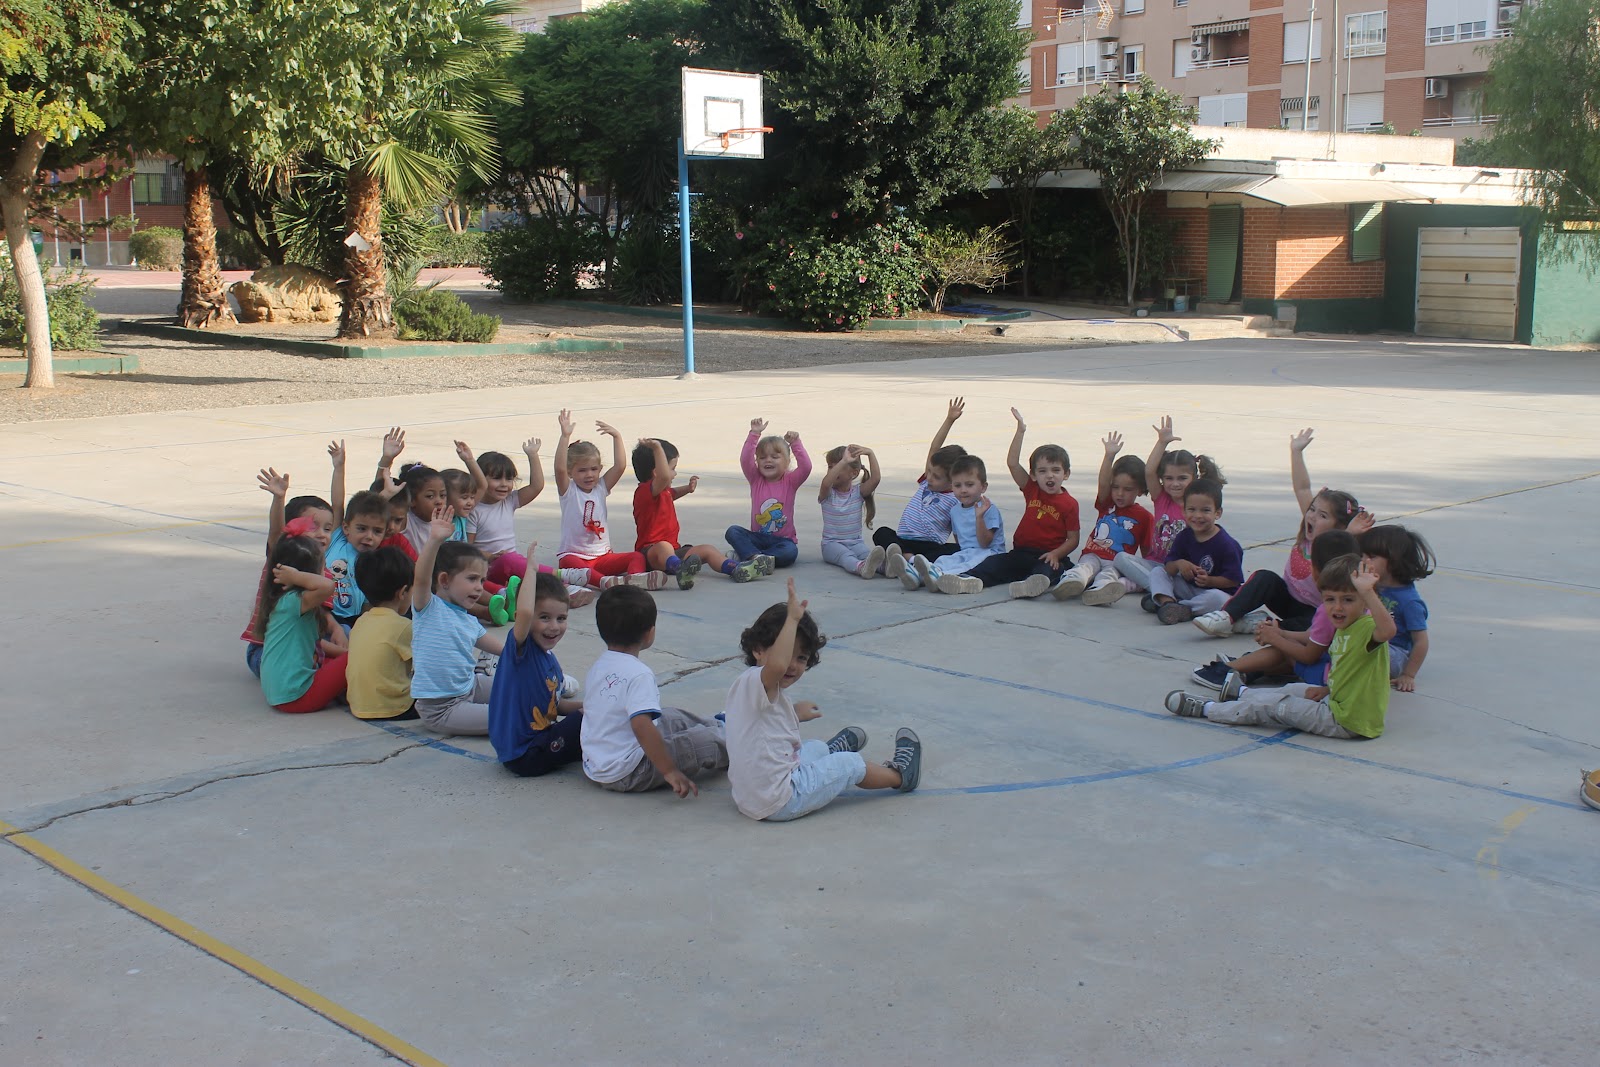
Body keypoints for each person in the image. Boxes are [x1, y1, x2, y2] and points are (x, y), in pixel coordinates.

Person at [725, 579, 922, 822]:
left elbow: (760, 726)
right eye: (786, 653)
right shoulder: (759, 680)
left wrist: (794, 713)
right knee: (850, 764)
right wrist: (792, 620)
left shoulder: (752, 688)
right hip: (781, 798)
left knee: (815, 747)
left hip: (753, 794)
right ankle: (901, 776)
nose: (792, 665)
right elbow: (776, 665)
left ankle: (825, 756)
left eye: (801, 657)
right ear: (758, 649)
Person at [1165, 554, 1395, 739]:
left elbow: (1387, 631)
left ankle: (1208, 709)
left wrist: (1367, 591)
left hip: (1346, 721)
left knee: (1275, 707)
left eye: (1348, 599)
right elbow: (1350, 674)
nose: (1337, 607)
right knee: (1293, 690)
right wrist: (1328, 691)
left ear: (1364, 601)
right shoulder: (1344, 627)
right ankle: (1243, 693)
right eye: (1329, 599)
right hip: (1336, 702)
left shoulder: (1366, 627)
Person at [1193, 428, 1369, 637]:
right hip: (1286, 598)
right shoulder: (1310, 525)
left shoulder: (1335, 550)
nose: (1311, 516)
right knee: (1264, 578)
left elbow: (1343, 547)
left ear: (1339, 528)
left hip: (1314, 612)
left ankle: (1262, 625)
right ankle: (1226, 617)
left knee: (1313, 628)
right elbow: (1303, 489)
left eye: (1322, 516)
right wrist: (1296, 453)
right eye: (1312, 510)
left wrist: (1349, 534)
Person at [580, 586, 728, 795]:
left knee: (669, 716)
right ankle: (737, 742)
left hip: (598, 763)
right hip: (631, 771)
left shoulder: (599, 665)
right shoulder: (639, 674)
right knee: (701, 743)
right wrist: (669, 770)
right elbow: (640, 725)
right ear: (650, 633)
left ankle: (719, 724)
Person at [1189, 529, 1359, 691]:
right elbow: (1314, 637)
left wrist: (1276, 639)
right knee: (1289, 644)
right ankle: (1249, 668)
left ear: (1314, 571)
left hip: (1329, 677)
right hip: (1340, 671)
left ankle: (1228, 670)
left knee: (1285, 650)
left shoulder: (1328, 610)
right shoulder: (1361, 603)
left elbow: (1308, 656)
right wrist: (1283, 634)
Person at [242, 448, 342, 677]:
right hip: (266, 652)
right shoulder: (283, 560)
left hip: (303, 641)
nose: (322, 534)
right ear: (292, 529)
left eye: (327, 528)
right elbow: (277, 532)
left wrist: (336, 629)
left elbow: (320, 615)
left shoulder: (322, 571)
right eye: (312, 526)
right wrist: (279, 498)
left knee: (346, 630)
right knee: (333, 664)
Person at [487, 548, 585, 777]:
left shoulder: (550, 662)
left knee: (595, 716)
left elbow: (556, 706)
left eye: (561, 618)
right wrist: (530, 571)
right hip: (525, 754)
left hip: (542, 741)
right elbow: (523, 613)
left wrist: (588, 707)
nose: (554, 626)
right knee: (588, 725)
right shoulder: (522, 650)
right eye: (544, 618)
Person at [966, 406, 1079, 599]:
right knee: (994, 564)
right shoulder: (1032, 489)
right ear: (1034, 475)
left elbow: (1073, 539)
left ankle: (1031, 586)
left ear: (1066, 474)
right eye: (1042, 471)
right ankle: (968, 580)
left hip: (1048, 554)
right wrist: (1020, 431)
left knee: (1049, 569)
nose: (1049, 475)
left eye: (1056, 470)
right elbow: (1012, 463)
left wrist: (1056, 554)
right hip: (1021, 553)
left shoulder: (1069, 503)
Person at [410, 506, 504, 736]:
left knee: (523, 691)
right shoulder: (428, 608)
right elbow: (421, 577)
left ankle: (555, 693)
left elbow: (507, 650)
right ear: (444, 580)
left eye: (482, 580)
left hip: (470, 686)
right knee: (511, 716)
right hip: (442, 709)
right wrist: (434, 539)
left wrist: (536, 658)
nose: (479, 587)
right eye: (472, 579)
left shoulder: (468, 621)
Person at [631, 437, 765, 586]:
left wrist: (687, 489)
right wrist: (657, 449)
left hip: (673, 553)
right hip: (650, 553)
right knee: (664, 546)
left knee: (707, 550)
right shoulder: (644, 492)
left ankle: (735, 569)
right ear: (657, 473)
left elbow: (672, 493)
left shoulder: (663, 492)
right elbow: (665, 477)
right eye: (673, 468)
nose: (674, 474)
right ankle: (681, 569)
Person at [555, 409, 664, 590]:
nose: (589, 475)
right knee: (567, 561)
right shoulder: (569, 491)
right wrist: (565, 436)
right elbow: (558, 469)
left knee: (637, 557)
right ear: (570, 472)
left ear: (600, 469)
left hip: (603, 557)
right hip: (576, 556)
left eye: (593, 469)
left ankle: (635, 579)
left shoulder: (601, 488)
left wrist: (617, 437)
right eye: (582, 470)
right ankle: (605, 583)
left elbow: (620, 466)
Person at [1122, 416, 1226, 593]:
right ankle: (1155, 587)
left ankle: (1149, 587)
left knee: (1134, 577)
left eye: (1182, 478)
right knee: (1121, 559)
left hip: (1180, 569)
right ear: (1162, 479)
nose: (1175, 484)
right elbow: (1149, 470)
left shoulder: (1196, 507)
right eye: (1169, 478)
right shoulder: (1162, 498)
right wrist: (1161, 442)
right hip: (1155, 562)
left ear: (1194, 478)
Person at [1051, 432, 1152, 607]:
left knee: (1109, 575)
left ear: (1141, 490)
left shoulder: (1145, 517)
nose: (1120, 493)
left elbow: (1146, 550)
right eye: (1116, 487)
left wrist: (1145, 572)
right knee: (1084, 568)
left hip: (1116, 562)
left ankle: (1100, 591)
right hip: (1093, 554)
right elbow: (1103, 483)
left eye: (1127, 489)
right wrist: (1109, 456)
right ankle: (1071, 582)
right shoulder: (1107, 503)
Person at [877, 397, 967, 577]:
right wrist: (949, 420)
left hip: (929, 545)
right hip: (903, 539)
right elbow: (934, 448)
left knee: (956, 550)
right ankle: (909, 561)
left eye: (937, 476)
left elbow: (959, 529)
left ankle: (899, 562)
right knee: (882, 533)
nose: (930, 477)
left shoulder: (955, 499)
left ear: (952, 481)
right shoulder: (926, 481)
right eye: (930, 472)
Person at [257, 535, 346, 713]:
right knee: (359, 658)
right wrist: (296, 577)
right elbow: (328, 586)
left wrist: (343, 653)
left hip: (281, 693)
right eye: (323, 568)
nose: (326, 572)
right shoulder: (294, 601)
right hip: (297, 696)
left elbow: (313, 643)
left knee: (341, 658)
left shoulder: (283, 601)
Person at [898, 455, 1005, 594]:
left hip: (989, 553)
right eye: (958, 485)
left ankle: (940, 578)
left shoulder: (988, 508)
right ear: (951, 486)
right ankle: (920, 575)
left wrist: (979, 517)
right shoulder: (955, 510)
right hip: (967, 551)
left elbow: (985, 543)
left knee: (967, 564)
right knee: (945, 560)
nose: (963, 490)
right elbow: (958, 538)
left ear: (983, 487)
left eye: (969, 484)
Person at [1145, 479, 1243, 625]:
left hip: (1214, 592)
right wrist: (1179, 564)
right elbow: (1169, 568)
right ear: (1184, 510)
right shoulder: (1184, 536)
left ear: (1218, 513)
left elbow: (1233, 580)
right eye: (1192, 509)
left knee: (1218, 599)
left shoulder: (1227, 544)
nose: (1197, 516)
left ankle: (1180, 607)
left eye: (1205, 510)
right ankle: (1167, 603)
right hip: (1190, 588)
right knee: (1157, 572)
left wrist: (1210, 581)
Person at [726, 416, 811, 570]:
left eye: (775, 457)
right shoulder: (756, 479)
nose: (768, 460)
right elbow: (745, 460)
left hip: (783, 540)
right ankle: (757, 557)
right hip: (757, 537)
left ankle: (750, 556)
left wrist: (796, 444)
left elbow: (806, 467)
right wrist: (754, 434)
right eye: (762, 457)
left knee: (790, 552)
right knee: (733, 531)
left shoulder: (790, 481)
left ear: (786, 462)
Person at [345, 546, 419, 722]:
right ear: (402, 592)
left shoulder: (361, 621)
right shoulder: (403, 626)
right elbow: (430, 666)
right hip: (395, 708)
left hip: (358, 705)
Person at [1358, 525, 1435, 691]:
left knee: (1369, 650)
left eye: (1371, 556)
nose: (1363, 560)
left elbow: (1421, 641)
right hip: (1371, 643)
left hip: (1394, 653)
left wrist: (1408, 674)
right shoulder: (1370, 583)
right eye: (1361, 555)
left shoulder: (1409, 601)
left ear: (1393, 561)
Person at [817, 443, 886, 579]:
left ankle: (886, 568)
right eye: (831, 466)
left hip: (856, 542)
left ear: (853, 473)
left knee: (868, 555)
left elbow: (876, 479)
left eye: (838, 467)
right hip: (831, 545)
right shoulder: (827, 493)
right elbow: (826, 483)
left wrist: (870, 453)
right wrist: (843, 462)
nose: (833, 470)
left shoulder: (858, 492)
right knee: (845, 556)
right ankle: (861, 568)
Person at [325, 490, 389, 629]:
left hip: (353, 620)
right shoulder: (337, 540)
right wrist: (339, 468)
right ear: (346, 528)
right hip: (324, 613)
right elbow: (337, 505)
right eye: (362, 529)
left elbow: (368, 604)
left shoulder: (375, 564)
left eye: (377, 531)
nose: (369, 536)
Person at [397, 461, 451, 554]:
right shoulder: (406, 520)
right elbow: (380, 503)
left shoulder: (443, 521)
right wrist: (386, 461)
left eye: (443, 495)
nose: (439, 501)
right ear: (412, 500)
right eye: (430, 496)